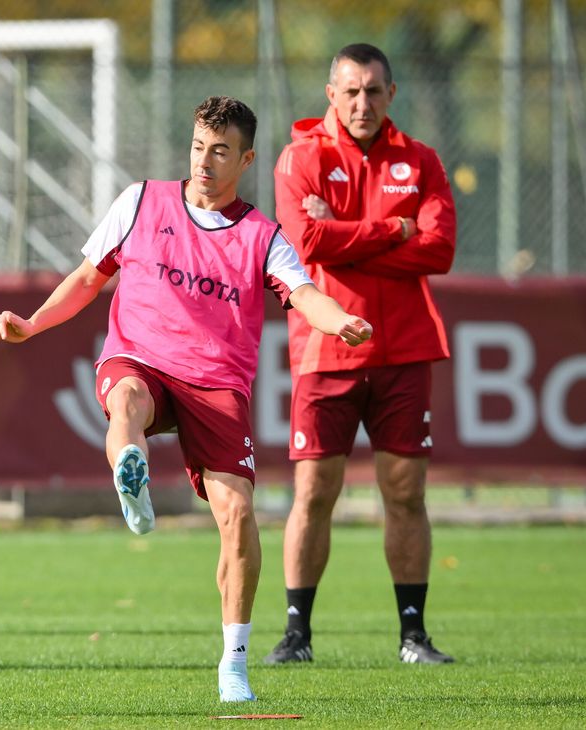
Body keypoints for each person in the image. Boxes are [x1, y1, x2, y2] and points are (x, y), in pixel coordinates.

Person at [0, 96, 373, 702]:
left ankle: (233, 666)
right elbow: (89, 278)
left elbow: (303, 294)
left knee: (239, 517)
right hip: (140, 356)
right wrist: (32, 324)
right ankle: (129, 476)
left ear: (245, 158)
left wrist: (338, 319)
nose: (204, 161)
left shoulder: (260, 234)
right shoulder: (141, 201)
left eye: (220, 151)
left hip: (216, 384)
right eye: (198, 146)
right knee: (128, 400)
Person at [266, 43, 456, 665]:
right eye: (350, 90)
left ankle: (413, 635)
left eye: (374, 90)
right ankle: (297, 636)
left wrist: (345, 238)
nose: (362, 102)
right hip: (325, 348)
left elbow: (439, 251)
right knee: (315, 492)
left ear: (391, 95)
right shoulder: (300, 158)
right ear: (331, 94)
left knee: (404, 492)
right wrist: (394, 227)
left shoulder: (421, 160)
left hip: (404, 347)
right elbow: (307, 241)